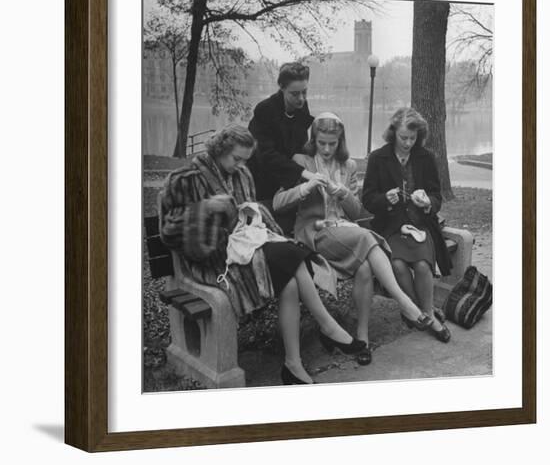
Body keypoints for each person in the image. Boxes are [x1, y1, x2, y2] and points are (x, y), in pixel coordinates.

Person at [159, 124, 365, 386]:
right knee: (292, 254)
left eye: (245, 159)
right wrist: (206, 208)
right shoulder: (185, 179)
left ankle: (293, 364)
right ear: (220, 150)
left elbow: (250, 212)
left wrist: (252, 217)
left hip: (246, 247)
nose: (240, 165)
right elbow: (169, 231)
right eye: (236, 158)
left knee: (290, 280)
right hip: (213, 260)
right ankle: (327, 325)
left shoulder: (242, 174)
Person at [272, 113, 433, 365]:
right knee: (365, 237)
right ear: (313, 140)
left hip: (344, 234)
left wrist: (344, 193)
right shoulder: (301, 162)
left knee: (366, 268)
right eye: (321, 142)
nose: (326, 149)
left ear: (340, 141)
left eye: (332, 143)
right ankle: (405, 302)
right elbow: (277, 203)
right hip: (314, 233)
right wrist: (305, 187)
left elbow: (357, 211)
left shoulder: (348, 167)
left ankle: (362, 338)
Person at [361, 107, 452, 343]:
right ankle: (421, 313)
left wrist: (427, 202)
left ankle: (427, 314)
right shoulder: (378, 158)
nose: (408, 143)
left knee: (422, 266)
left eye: (412, 138)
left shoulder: (426, 157)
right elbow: (368, 199)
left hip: (420, 225)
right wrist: (384, 199)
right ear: (393, 133)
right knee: (399, 266)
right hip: (390, 226)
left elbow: (436, 196)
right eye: (403, 137)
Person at [247, 62, 327, 205]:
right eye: (295, 94)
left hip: (289, 181)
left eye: (304, 92)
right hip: (262, 180)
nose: (301, 98)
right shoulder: (265, 110)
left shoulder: (301, 107)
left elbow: (300, 145)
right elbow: (265, 154)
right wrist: (302, 172)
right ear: (282, 88)